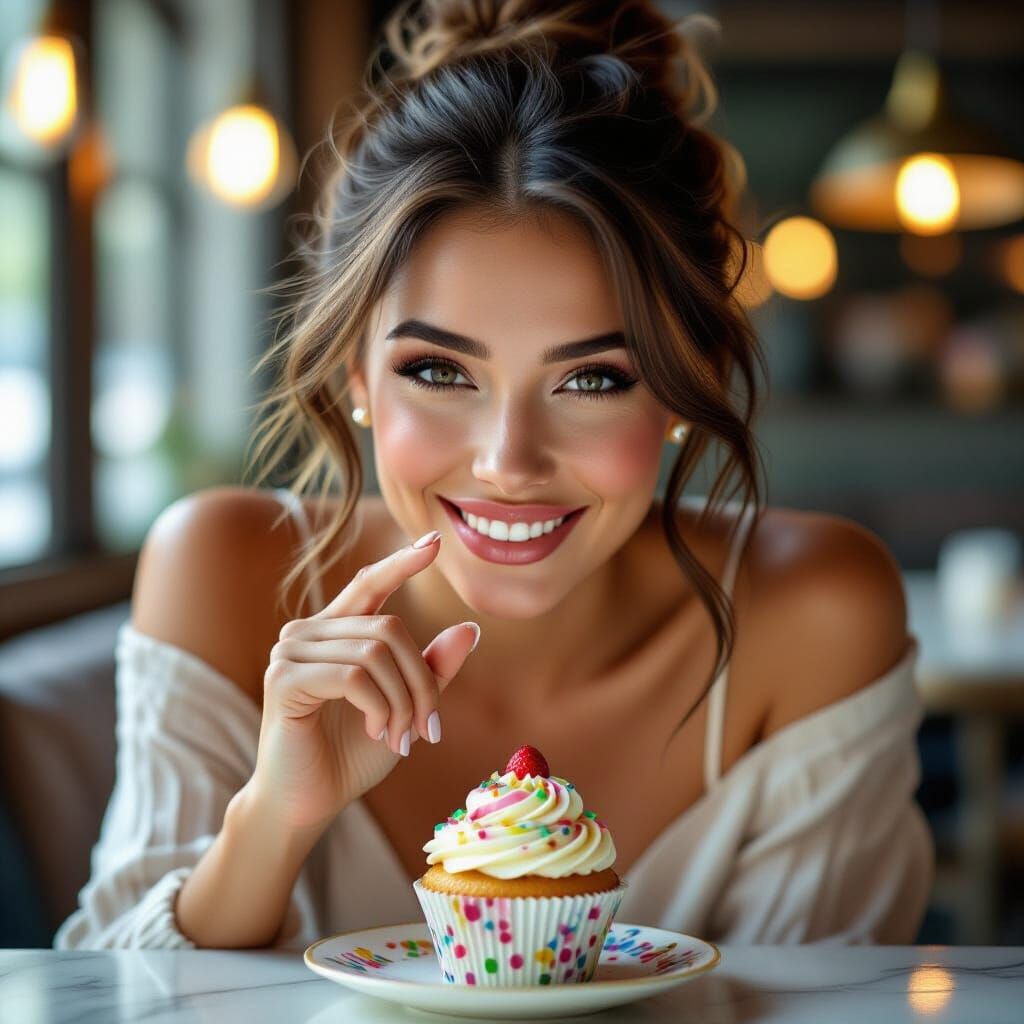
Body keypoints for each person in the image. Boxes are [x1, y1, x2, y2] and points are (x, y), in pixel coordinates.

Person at [55, 0, 933, 951]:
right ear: (356, 373)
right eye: (439, 372)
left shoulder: (814, 615)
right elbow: (120, 1001)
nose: (508, 462)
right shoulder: (223, 573)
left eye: (593, 379)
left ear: (689, 387)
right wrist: (275, 816)